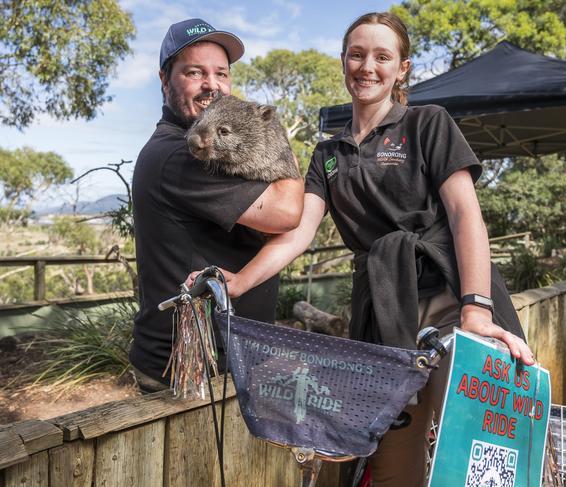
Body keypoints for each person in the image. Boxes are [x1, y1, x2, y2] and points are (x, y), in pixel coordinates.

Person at [194, 12, 534, 487]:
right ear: (343, 61)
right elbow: (298, 231)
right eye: (357, 54)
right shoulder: (327, 155)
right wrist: (240, 279)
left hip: (450, 293)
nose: (367, 66)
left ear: (403, 68)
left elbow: (464, 215)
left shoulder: (427, 124)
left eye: (382, 56)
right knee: (393, 457)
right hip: (382, 310)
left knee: (480, 452)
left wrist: (476, 308)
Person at [130, 18, 303, 393]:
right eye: (195, 72)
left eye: (221, 73)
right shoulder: (181, 154)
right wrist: (288, 158)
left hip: (226, 363)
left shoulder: (207, 146)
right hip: (191, 374)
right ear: (165, 79)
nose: (212, 85)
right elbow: (288, 212)